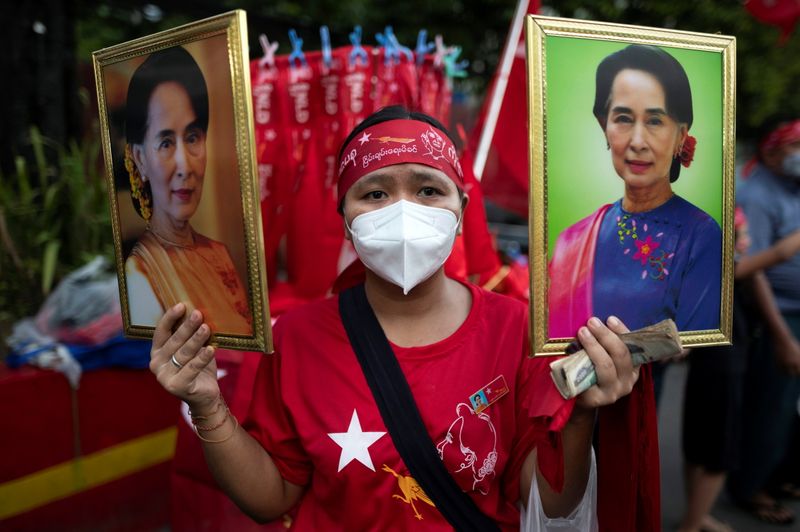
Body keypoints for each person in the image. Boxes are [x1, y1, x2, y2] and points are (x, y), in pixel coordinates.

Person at [148, 107, 645, 530]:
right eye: (376, 193)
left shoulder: (517, 329)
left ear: (461, 208)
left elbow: (549, 506)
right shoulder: (296, 337)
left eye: (429, 190)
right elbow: (271, 497)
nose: (404, 211)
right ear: (345, 214)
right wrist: (207, 404)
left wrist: (581, 416)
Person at [548, 44, 722, 338]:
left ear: (681, 135)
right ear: (605, 127)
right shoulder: (572, 240)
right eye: (624, 119)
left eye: (655, 121)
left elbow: (694, 348)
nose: (638, 141)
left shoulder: (700, 234)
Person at [123, 46, 251, 334]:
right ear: (140, 159)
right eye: (166, 142)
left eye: (193, 137)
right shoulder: (140, 275)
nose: (185, 166)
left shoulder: (218, 253)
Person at [727, 118, 800, 525]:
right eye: (796, 146)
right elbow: (748, 269)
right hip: (779, 317)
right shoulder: (755, 193)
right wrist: (783, 336)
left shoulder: (791, 188)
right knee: (769, 409)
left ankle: (779, 477)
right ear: (772, 150)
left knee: (789, 411)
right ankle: (751, 486)